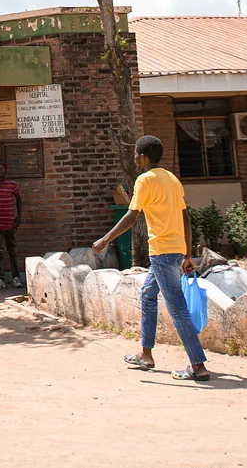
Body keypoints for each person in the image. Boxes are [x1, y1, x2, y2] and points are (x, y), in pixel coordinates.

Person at [92, 135, 210, 381]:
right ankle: (146, 354)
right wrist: (187, 254)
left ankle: (198, 366)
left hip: (162, 252)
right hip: (175, 249)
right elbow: (186, 218)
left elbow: (131, 216)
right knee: (147, 295)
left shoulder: (144, 181)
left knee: (177, 308)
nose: (135, 158)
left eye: (136, 154)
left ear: (143, 156)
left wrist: (105, 239)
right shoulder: (172, 179)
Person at [0, 157, 24, 290]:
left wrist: (19, 217)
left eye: (3, 168)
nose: (1, 170)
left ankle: (16, 277)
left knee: (12, 250)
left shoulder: (12, 184)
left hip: (9, 222)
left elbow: (19, 200)